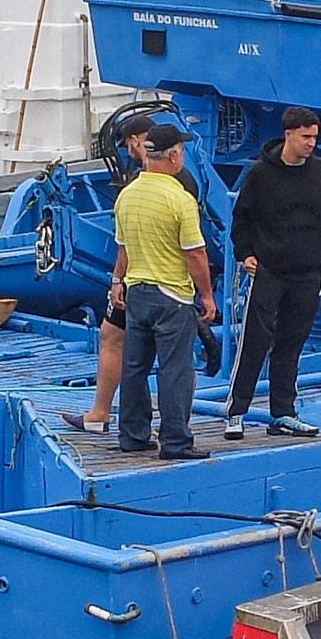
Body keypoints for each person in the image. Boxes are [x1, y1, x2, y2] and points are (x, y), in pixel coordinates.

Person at [64, 111, 190, 436]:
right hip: (159, 284)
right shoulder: (175, 183)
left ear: (137, 142)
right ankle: (132, 425)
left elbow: (127, 241)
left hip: (145, 281)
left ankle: (111, 418)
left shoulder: (141, 185)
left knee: (126, 349)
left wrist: (118, 280)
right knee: (150, 359)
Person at [219, 107, 321, 440]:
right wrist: (246, 254)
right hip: (269, 270)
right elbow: (242, 219)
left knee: (292, 343)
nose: (311, 143)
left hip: (307, 273)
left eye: (314, 137)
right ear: (289, 135)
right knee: (254, 341)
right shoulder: (260, 174)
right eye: (305, 137)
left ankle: (283, 413)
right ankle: (236, 411)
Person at [112, 121, 220, 458]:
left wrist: (117, 282)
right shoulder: (180, 199)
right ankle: (175, 441)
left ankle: (132, 434)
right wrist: (206, 295)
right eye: (182, 151)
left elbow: (123, 247)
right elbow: (195, 254)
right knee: (175, 371)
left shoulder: (126, 195)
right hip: (171, 296)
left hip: (137, 292)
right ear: (173, 156)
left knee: (134, 368)